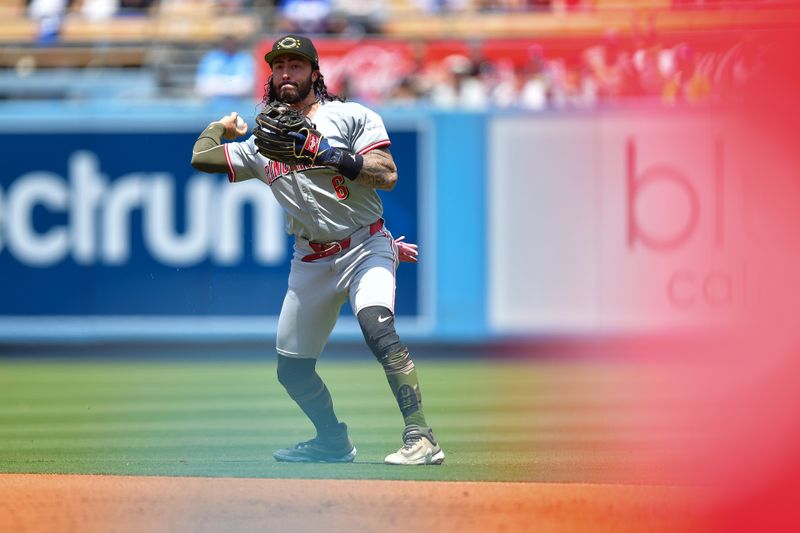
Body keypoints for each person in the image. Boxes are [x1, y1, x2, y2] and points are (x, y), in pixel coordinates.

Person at [190, 34, 445, 465]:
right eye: (279, 66)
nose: (286, 74)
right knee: (291, 370)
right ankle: (332, 441)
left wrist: (328, 153)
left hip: (366, 245)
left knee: (378, 330)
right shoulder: (261, 144)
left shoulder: (348, 116)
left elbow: (387, 174)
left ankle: (421, 437)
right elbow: (202, 157)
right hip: (310, 260)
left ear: (314, 73)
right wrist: (221, 127)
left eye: (296, 65)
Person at [195, 35, 256, 106]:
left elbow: (245, 86)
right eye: (226, 44)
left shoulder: (245, 59)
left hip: (239, 104)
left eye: (232, 44)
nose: (229, 46)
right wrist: (232, 85)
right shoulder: (211, 58)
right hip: (212, 104)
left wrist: (220, 83)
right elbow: (204, 85)